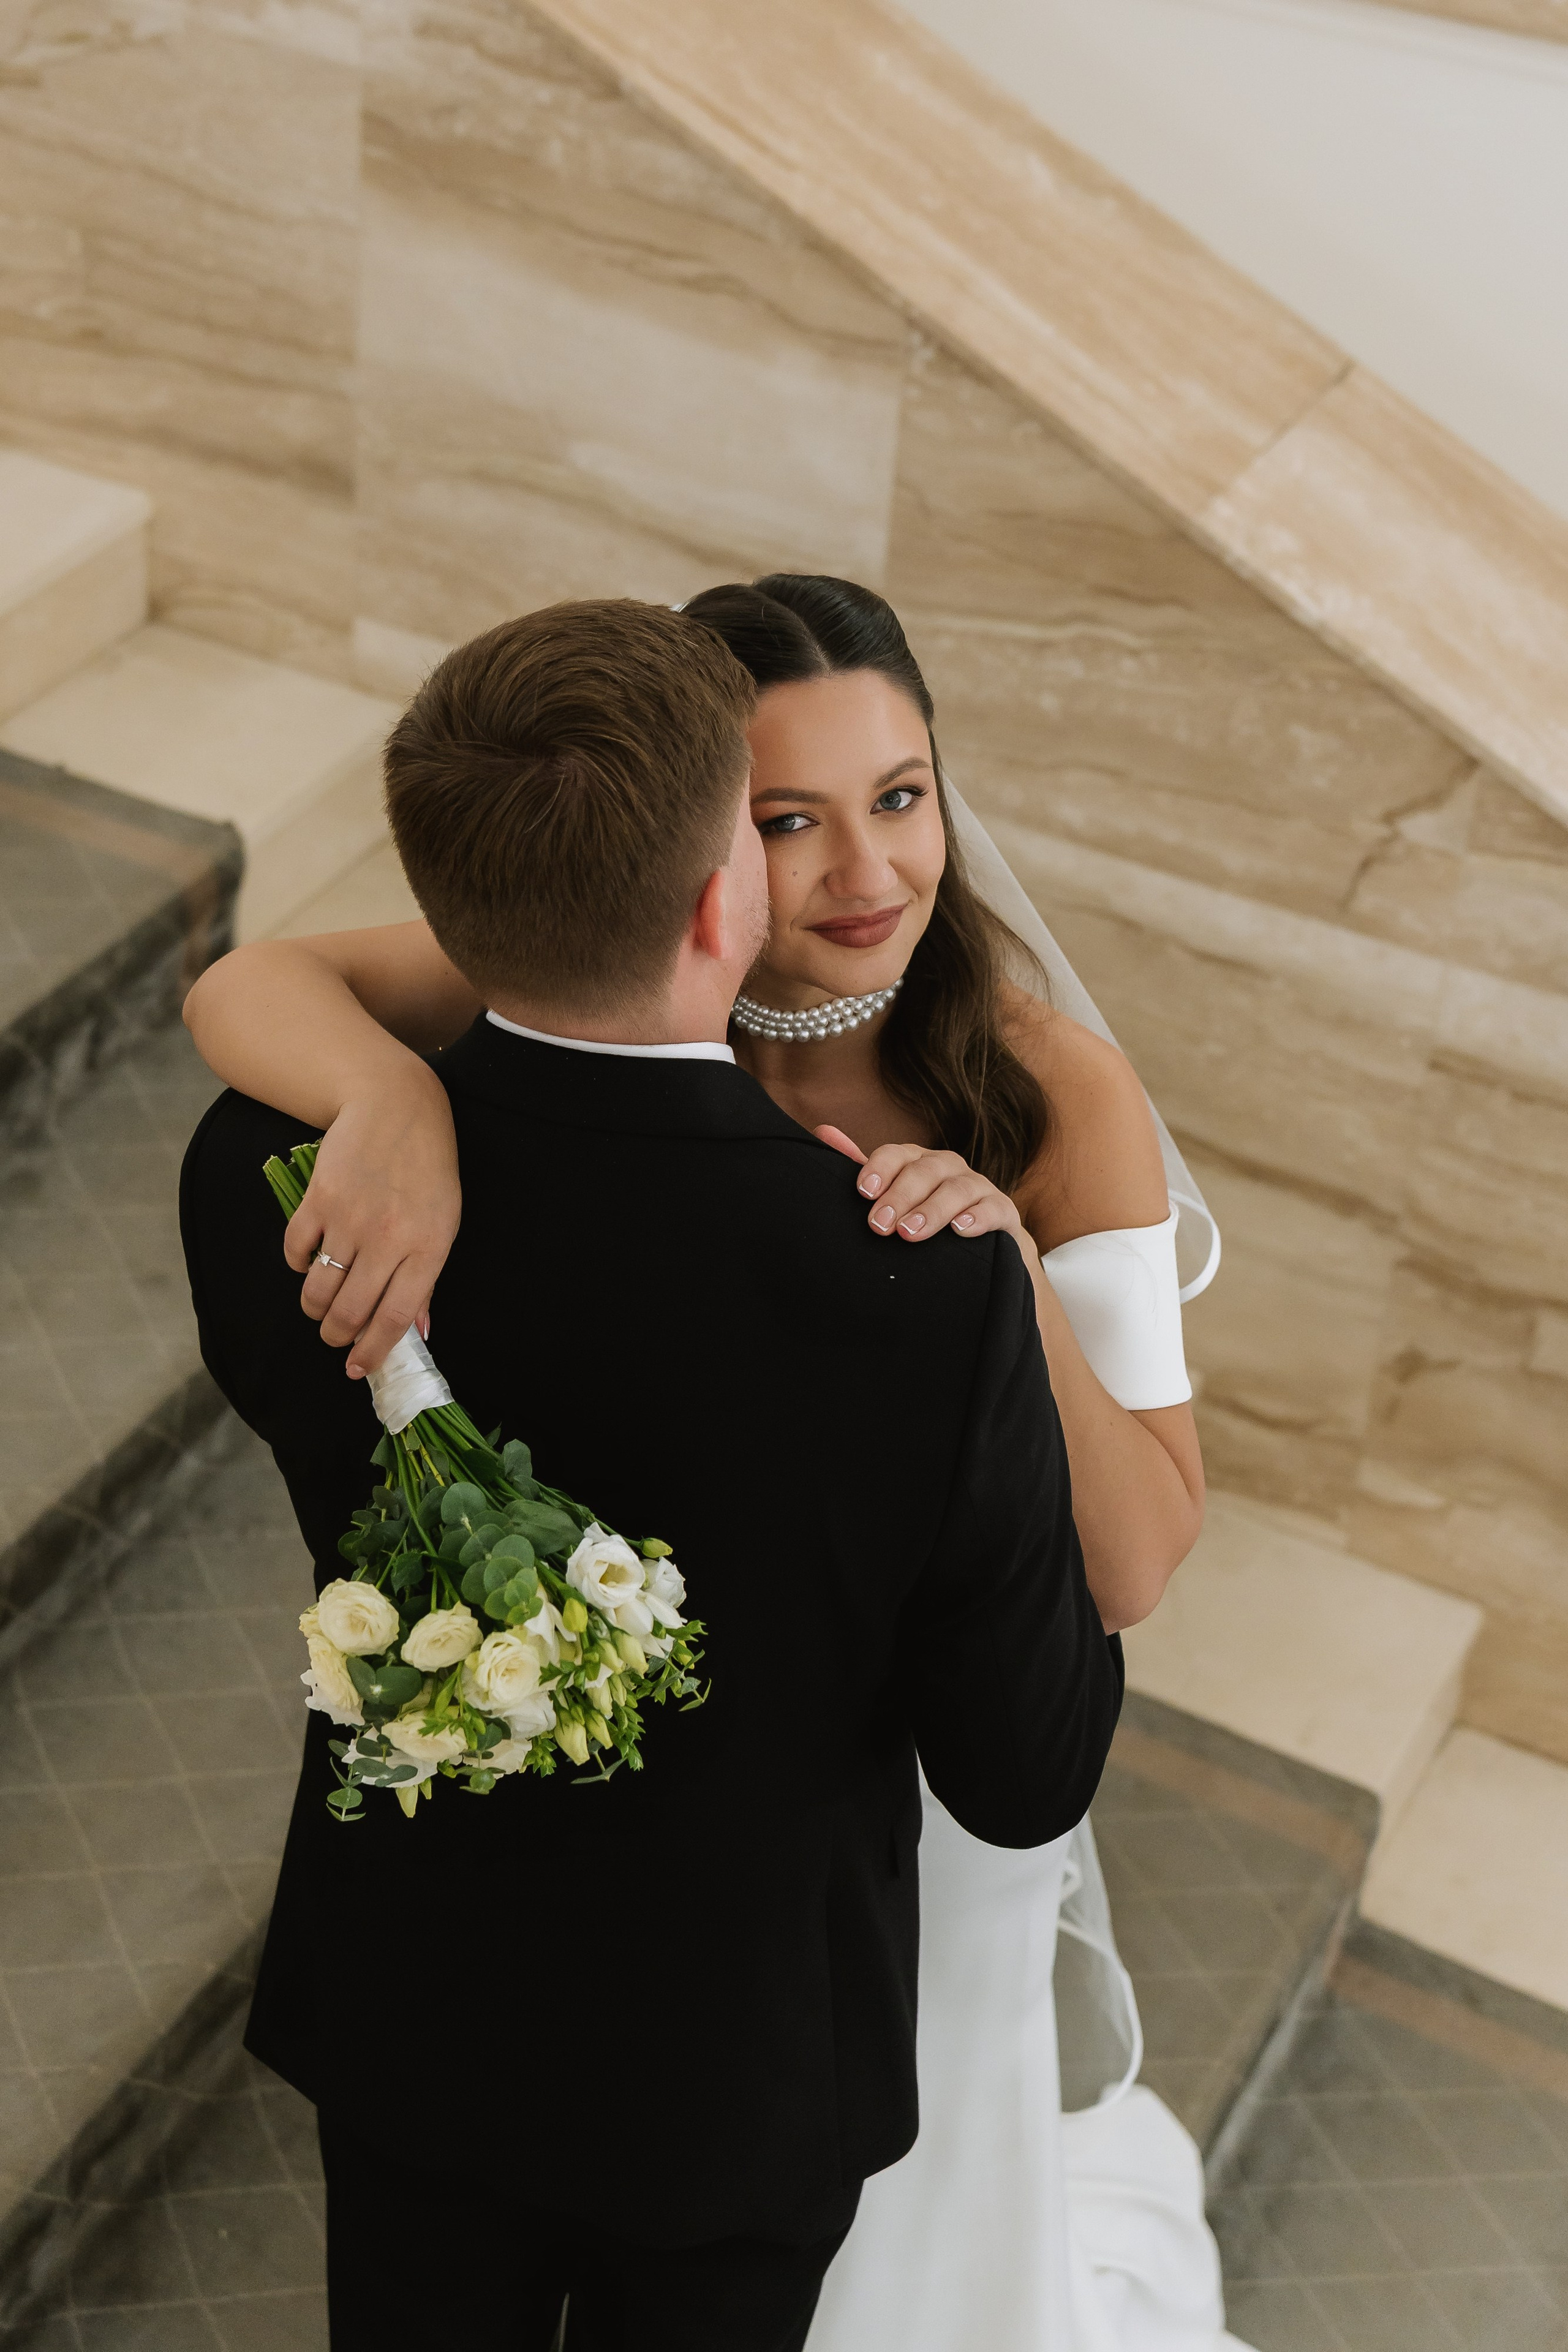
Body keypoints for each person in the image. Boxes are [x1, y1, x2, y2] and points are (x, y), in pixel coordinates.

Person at [179, 596, 1124, 2352]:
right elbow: (1022, 1771)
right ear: (727, 905)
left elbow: (257, 1025)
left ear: (449, 916)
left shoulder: (275, 1175)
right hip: (742, 2074)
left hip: (418, 2011)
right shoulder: (922, 1296)